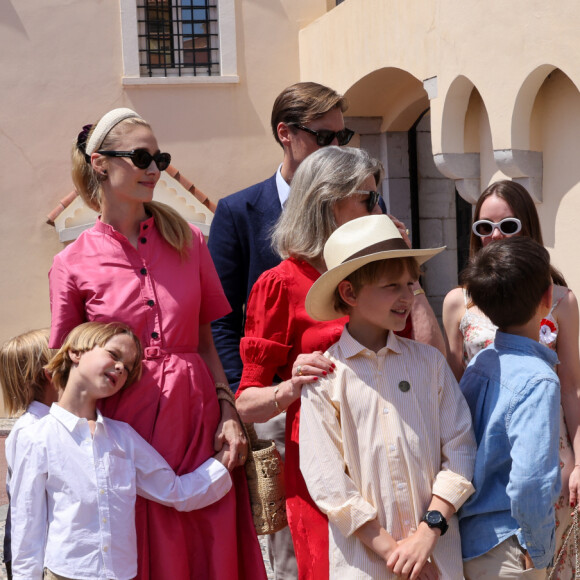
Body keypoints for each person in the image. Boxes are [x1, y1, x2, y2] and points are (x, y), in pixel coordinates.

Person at [48, 108, 266, 579]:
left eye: (160, 158)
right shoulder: (71, 262)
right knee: (142, 546)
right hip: (124, 427)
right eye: (142, 156)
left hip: (199, 417)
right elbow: (64, 366)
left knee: (209, 542)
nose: (154, 169)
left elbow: (208, 340)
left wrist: (228, 412)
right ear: (101, 163)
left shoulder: (188, 240)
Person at [236, 146, 445, 579]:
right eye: (369, 199)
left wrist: (405, 271)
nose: (379, 208)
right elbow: (247, 403)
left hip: (402, 449)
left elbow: (433, 358)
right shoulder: (280, 284)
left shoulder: (392, 278)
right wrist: (289, 387)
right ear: (330, 202)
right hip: (324, 463)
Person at [208, 82, 353, 577]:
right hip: (275, 402)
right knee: (292, 546)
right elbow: (222, 320)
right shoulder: (237, 211)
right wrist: (243, 405)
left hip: (346, 401)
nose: (337, 148)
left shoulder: (361, 207)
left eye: (344, 135)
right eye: (324, 136)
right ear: (285, 134)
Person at [298, 214, 476, 580]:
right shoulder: (326, 378)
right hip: (364, 566)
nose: (407, 296)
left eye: (411, 283)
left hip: (436, 555)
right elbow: (328, 482)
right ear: (349, 293)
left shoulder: (429, 364)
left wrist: (427, 533)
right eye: (391, 286)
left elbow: (460, 449)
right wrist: (395, 553)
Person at [10, 321, 233, 580]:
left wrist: (225, 460)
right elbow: (27, 527)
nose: (120, 368)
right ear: (76, 352)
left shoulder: (124, 438)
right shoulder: (37, 435)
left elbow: (176, 491)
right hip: (65, 574)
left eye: (127, 368)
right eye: (114, 355)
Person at [442, 180, 580, 579]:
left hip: (552, 455)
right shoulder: (459, 300)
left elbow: (571, 386)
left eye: (508, 225)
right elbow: (453, 391)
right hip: (490, 460)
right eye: (484, 228)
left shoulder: (560, 298)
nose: (495, 236)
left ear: (530, 230)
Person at [458, 238, 561, 579]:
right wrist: (539, 549)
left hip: (468, 540)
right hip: (509, 547)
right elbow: (531, 479)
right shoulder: (539, 379)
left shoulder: (480, 363)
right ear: (548, 298)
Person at [0, 329, 58, 580]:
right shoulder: (32, 431)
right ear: (48, 374)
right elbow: (26, 510)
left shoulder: (50, 422)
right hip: (33, 558)